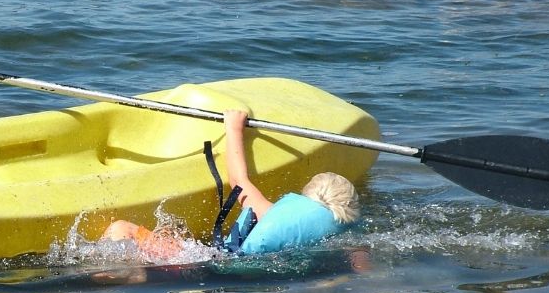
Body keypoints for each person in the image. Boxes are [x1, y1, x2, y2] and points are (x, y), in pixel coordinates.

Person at [99, 109, 361, 260]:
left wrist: (233, 128)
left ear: (305, 197)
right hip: (235, 276)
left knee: (122, 229)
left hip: (206, 262)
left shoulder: (269, 213)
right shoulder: (351, 242)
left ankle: (116, 278)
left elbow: (238, 181)